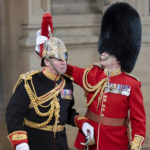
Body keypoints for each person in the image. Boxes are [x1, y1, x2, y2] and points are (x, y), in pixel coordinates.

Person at [35, 3, 146, 150]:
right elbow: (66, 69)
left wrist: (135, 146)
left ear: (120, 55)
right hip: (89, 141)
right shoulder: (92, 74)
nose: (103, 52)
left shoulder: (131, 84)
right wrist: (47, 54)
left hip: (115, 143)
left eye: (109, 50)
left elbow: (138, 122)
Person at [5, 13, 81, 150]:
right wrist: (20, 142)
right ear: (46, 61)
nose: (64, 63)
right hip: (35, 144)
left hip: (61, 145)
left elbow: (66, 112)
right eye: (59, 59)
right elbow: (13, 114)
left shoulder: (67, 83)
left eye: (65, 59)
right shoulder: (30, 83)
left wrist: (82, 122)